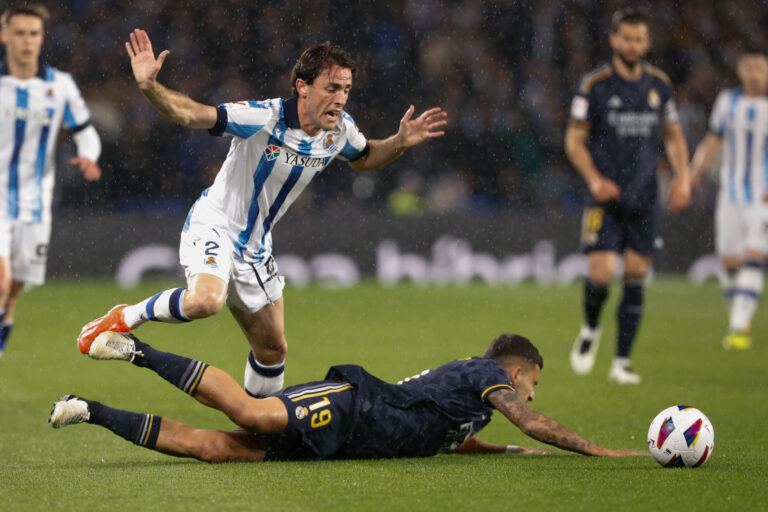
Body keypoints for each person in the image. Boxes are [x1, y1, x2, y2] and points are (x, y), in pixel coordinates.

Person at [77, 30, 446, 395]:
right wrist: (149, 87)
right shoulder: (262, 118)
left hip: (256, 247)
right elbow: (192, 114)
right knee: (207, 300)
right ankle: (124, 317)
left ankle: (256, 432)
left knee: (272, 350)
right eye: (332, 88)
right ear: (303, 87)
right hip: (215, 224)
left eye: (346, 89)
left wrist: (398, 143)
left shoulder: (340, 132)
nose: (340, 98)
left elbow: (364, 159)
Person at [50, 331, 642, 461]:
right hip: (353, 404)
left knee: (219, 449)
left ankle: (91, 410)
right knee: (247, 410)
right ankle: (137, 351)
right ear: (518, 373)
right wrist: (605, 454)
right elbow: (533, 423)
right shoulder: (483, 373)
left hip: (350, 442)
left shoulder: (471, 404)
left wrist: (504, 454)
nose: (533, 394)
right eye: (535, 382)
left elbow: (447, 435)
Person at [564, 9, 691, 384]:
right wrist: (594, 179)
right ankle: (590, 328)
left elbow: (672, 135)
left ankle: (621, 362)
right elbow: (573, 140)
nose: (633, 45)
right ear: (614, 40)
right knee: (601, 275)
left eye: (639, 39)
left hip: (644, 197)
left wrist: (683, 179)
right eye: (627, 38)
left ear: (647, 43)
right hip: (604, 197)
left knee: (635, 274)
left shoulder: (659, 85)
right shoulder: (595, 85)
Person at [0, 4, 101, 358]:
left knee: (11, 295)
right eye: (19, 33)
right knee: (0, 282)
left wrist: (90, 155)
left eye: (32, 33)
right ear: (5, 36)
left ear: (41, 38)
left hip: (35, 203)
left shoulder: (60, 86)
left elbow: (86, 131)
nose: (26, 41)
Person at [690, 48, 768, 351]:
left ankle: (737, 327)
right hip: (730, 193)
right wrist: (695, 170)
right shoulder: (727, 102)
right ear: (739, 69)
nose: (753, 72)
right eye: (748, 66)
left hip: (761, 196)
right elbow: (714, 139)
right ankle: (740, 317)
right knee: (730, 262)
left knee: (753, 255)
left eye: (759, 67)